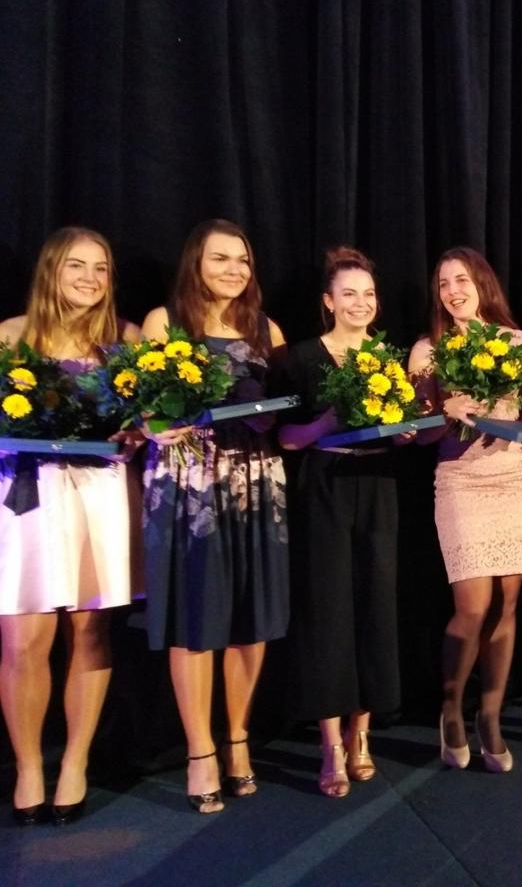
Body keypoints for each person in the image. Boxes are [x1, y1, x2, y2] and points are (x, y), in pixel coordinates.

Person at [140, 218, 289, 813]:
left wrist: (272, 415)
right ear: (195, 264)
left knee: (252, 613)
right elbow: (145, 404)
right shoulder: (164, 322)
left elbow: (285, 407)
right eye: (220, 258)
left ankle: (238, 739)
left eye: (242, 260)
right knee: (196, 614)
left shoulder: (266, 328)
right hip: (191, 480)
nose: (234, 270)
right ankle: (199, 750)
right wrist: (155, 423)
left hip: (255, 477)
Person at [0, 227, 142, 825]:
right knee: (23, 640)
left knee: (89, 631)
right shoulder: (11, 336)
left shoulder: (125, 341)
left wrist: (140, 431)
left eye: (101, 267)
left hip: (99, 493)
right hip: (25, 495)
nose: (90, 278)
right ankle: (29, 766)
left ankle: (76, 762)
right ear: (51, 270)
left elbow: (148, 420)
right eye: (77, 266)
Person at [275, 247, 401, 795]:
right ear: (328, 301)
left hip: (378, 484)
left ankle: (361, 734)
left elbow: (399, 431)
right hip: (324, 484)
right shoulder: (302, 357)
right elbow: (285, 438)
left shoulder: (386, 356)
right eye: (349, 294)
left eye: (368, 294)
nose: (360, 303)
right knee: (327, 612)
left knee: (375, 606)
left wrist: (406, 432)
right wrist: (322, 424)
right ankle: (330, 744)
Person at [407, 247, 522, 773]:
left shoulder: (516, 342)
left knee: (507, 603)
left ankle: (490, 715)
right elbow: (416, 435)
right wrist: (445, 410)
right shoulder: (428, 349)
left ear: (482, 283)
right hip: (460, 480)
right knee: (473, 606)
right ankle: (450, 709)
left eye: (461, 280)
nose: (453, 291)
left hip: (513, 477)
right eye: (443, 284)